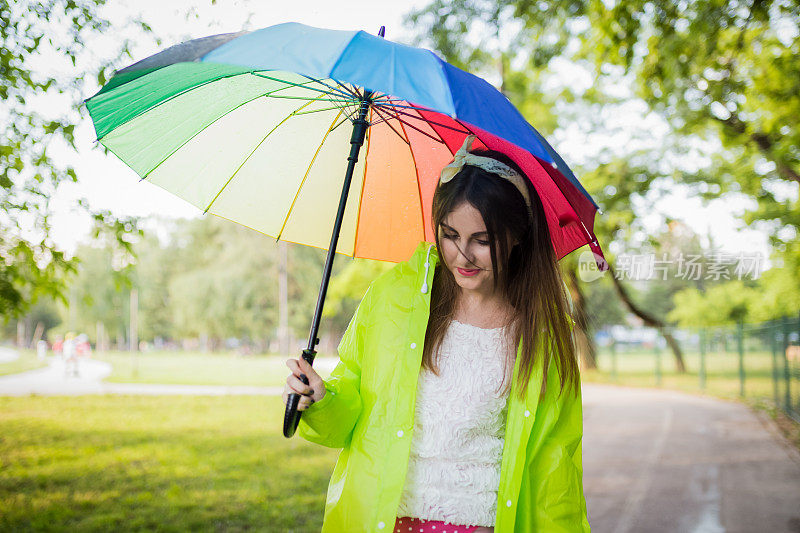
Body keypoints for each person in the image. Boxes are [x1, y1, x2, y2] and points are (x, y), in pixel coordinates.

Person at [283, 135, 591, 532]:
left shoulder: (543, 336)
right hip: (387, 520)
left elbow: (555, 471)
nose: (462, 256)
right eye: (450, 235)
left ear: (516, 237)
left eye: (482, 240)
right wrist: (321, 399)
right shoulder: (394, 299)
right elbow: (353, 416)